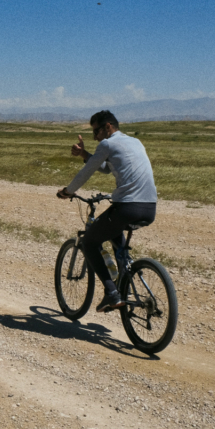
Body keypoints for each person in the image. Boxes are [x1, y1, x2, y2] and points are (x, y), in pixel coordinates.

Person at [57, 110, 157, 312]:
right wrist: (84, 154)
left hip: (127, 207)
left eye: (96, 131)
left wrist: (68, 191)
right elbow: (106, 168)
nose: (95, 137)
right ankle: (124, 279)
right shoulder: (135, 142)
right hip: (150, 207)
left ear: (108, 127)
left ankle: (112, 293)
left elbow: (86, 173)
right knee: (114, 230)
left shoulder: (107, 144)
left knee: (89, 242)